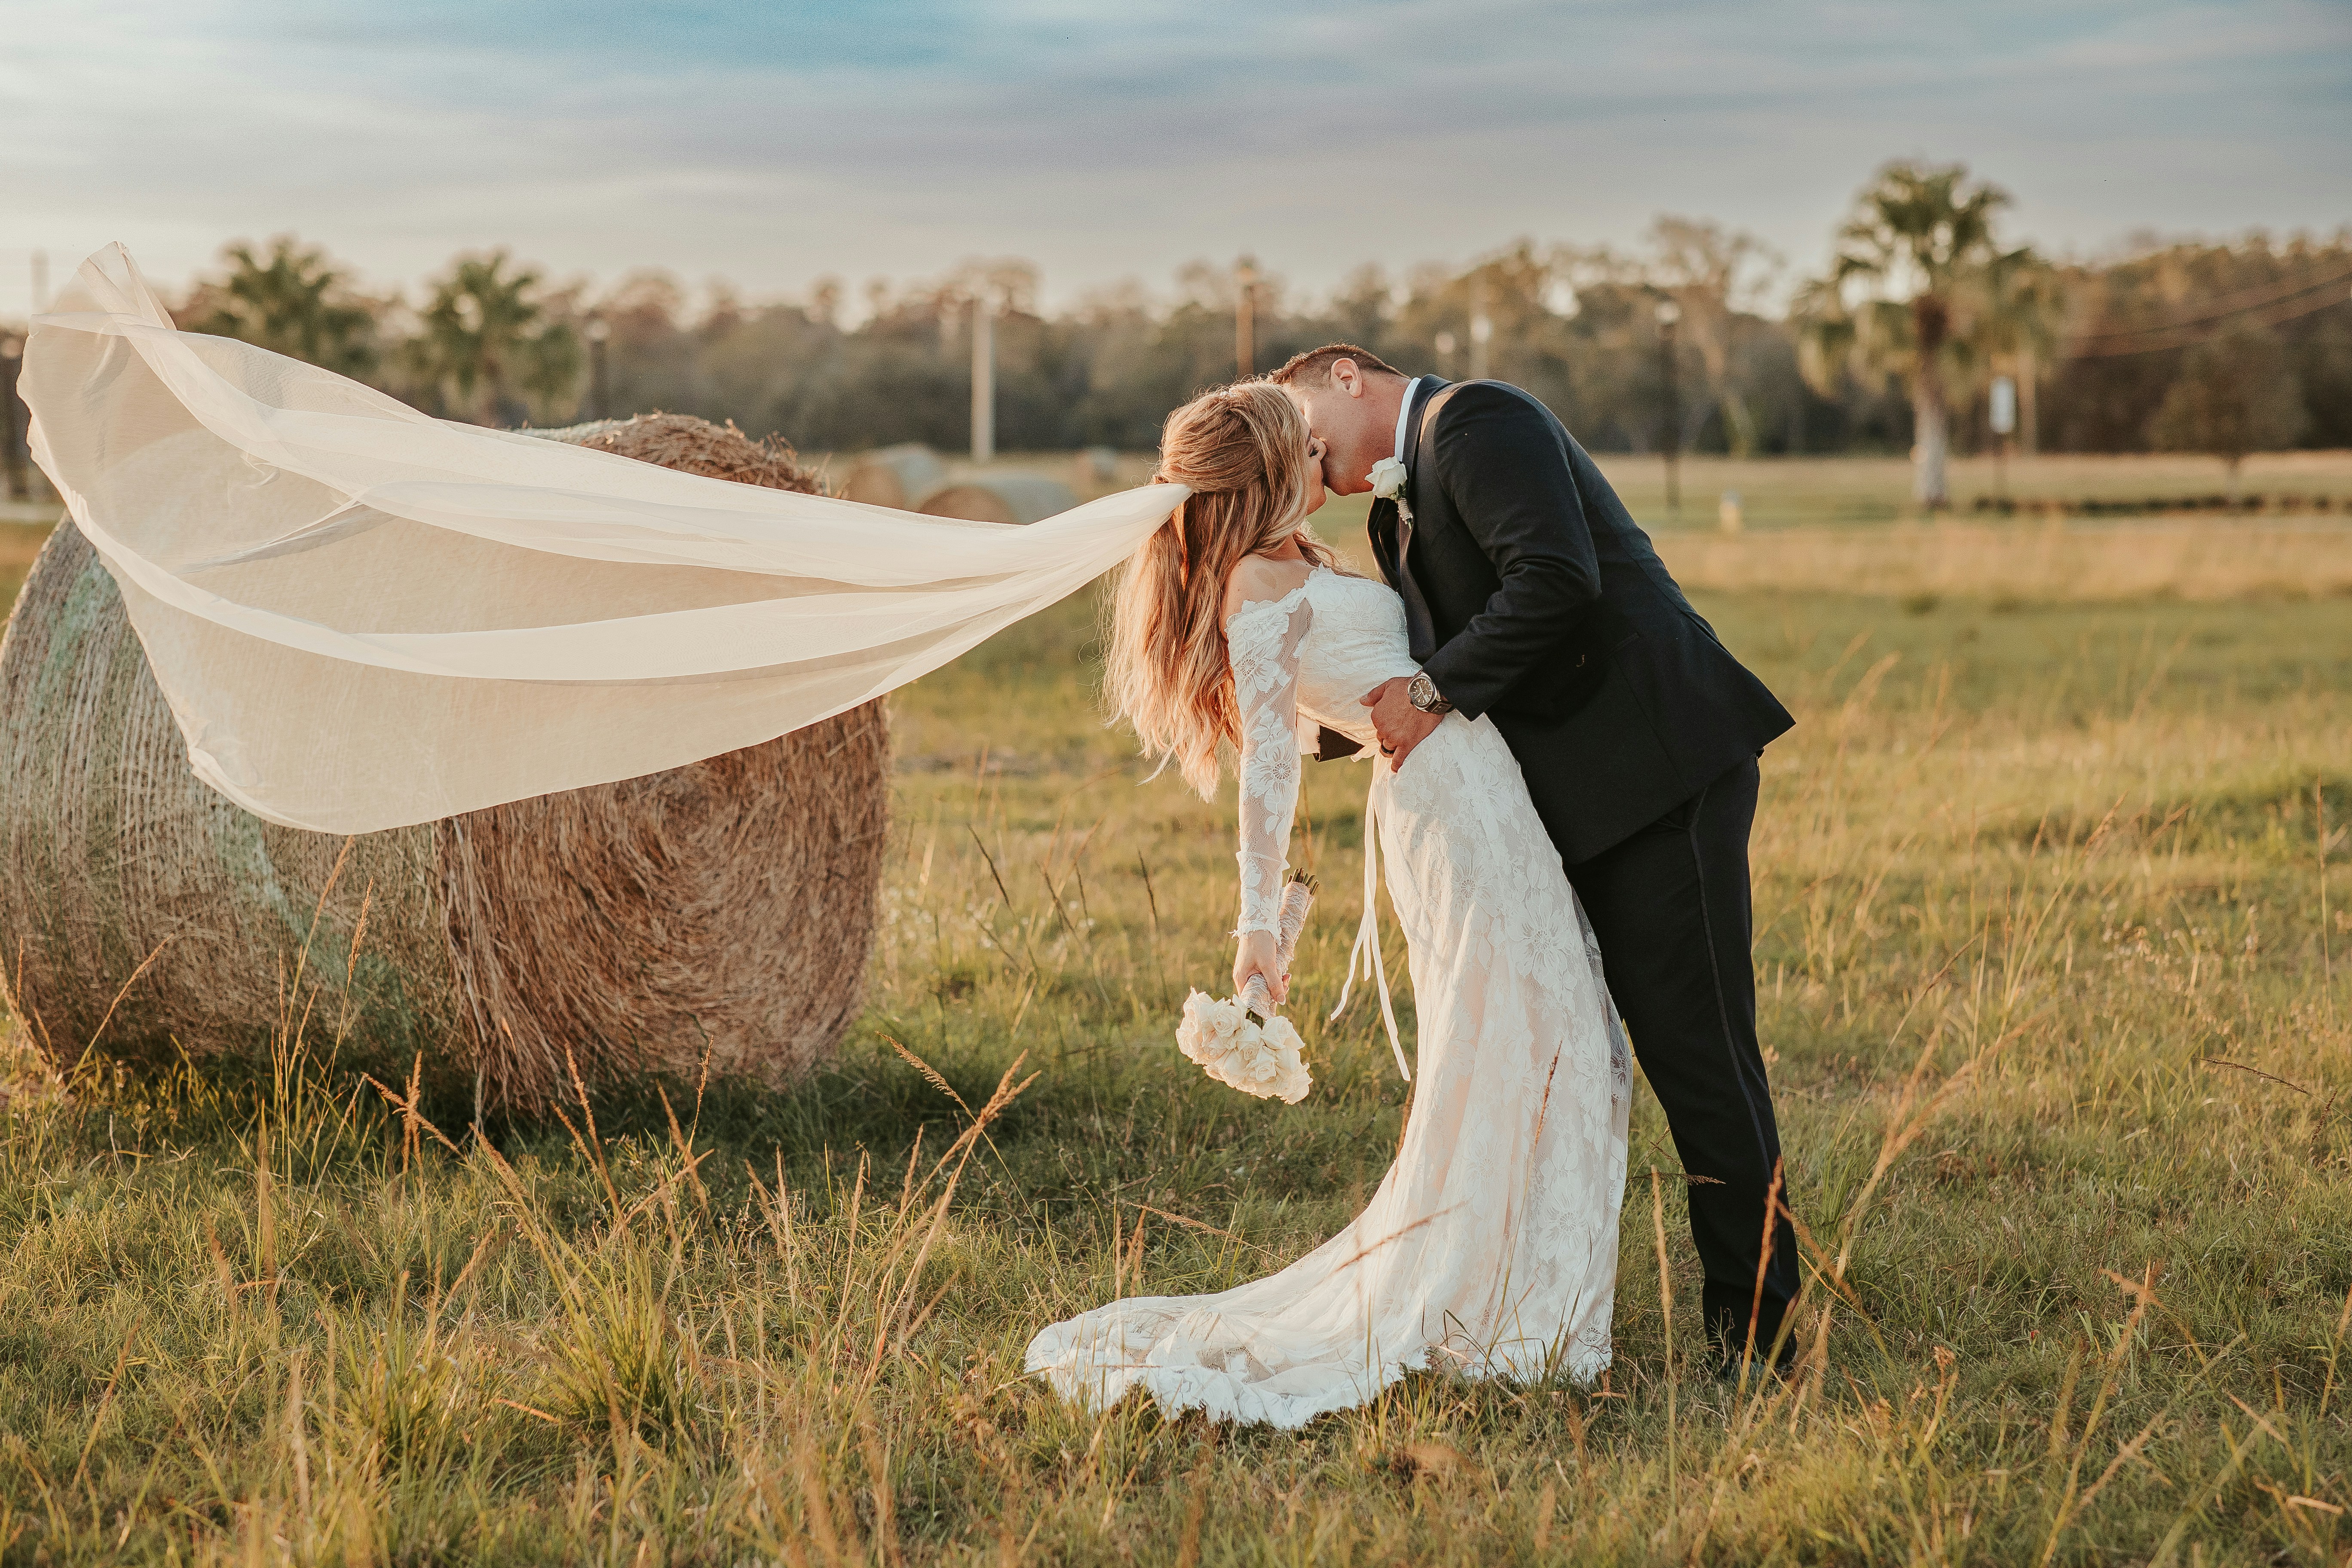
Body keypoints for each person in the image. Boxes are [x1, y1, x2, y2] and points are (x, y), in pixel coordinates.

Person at [1024, 382, 1634, 1429]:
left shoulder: (1299, 558)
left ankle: (1522, 1280)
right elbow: (1271, 767)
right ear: (1263, 472)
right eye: (1303, 449)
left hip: (1473, 782)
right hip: (1449, 806)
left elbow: (1336, 713)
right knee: (1527, 1030)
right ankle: (1501, 1298)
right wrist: (1258, 932)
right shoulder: (1252, 589)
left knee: (1547, 1026)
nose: (1324, 458)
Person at [1272, 345, 1801, 1377]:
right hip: (1578, 806)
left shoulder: (1475, 420)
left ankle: (1761, 1340)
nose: (1302, 451)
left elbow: (1555, 579)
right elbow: (1425, 656)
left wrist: (1425, 698)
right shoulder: (1393, 509)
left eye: (1300, 419)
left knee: (1699, 1059)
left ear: (1345, 374)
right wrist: (1297, 710)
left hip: (1659, 775)